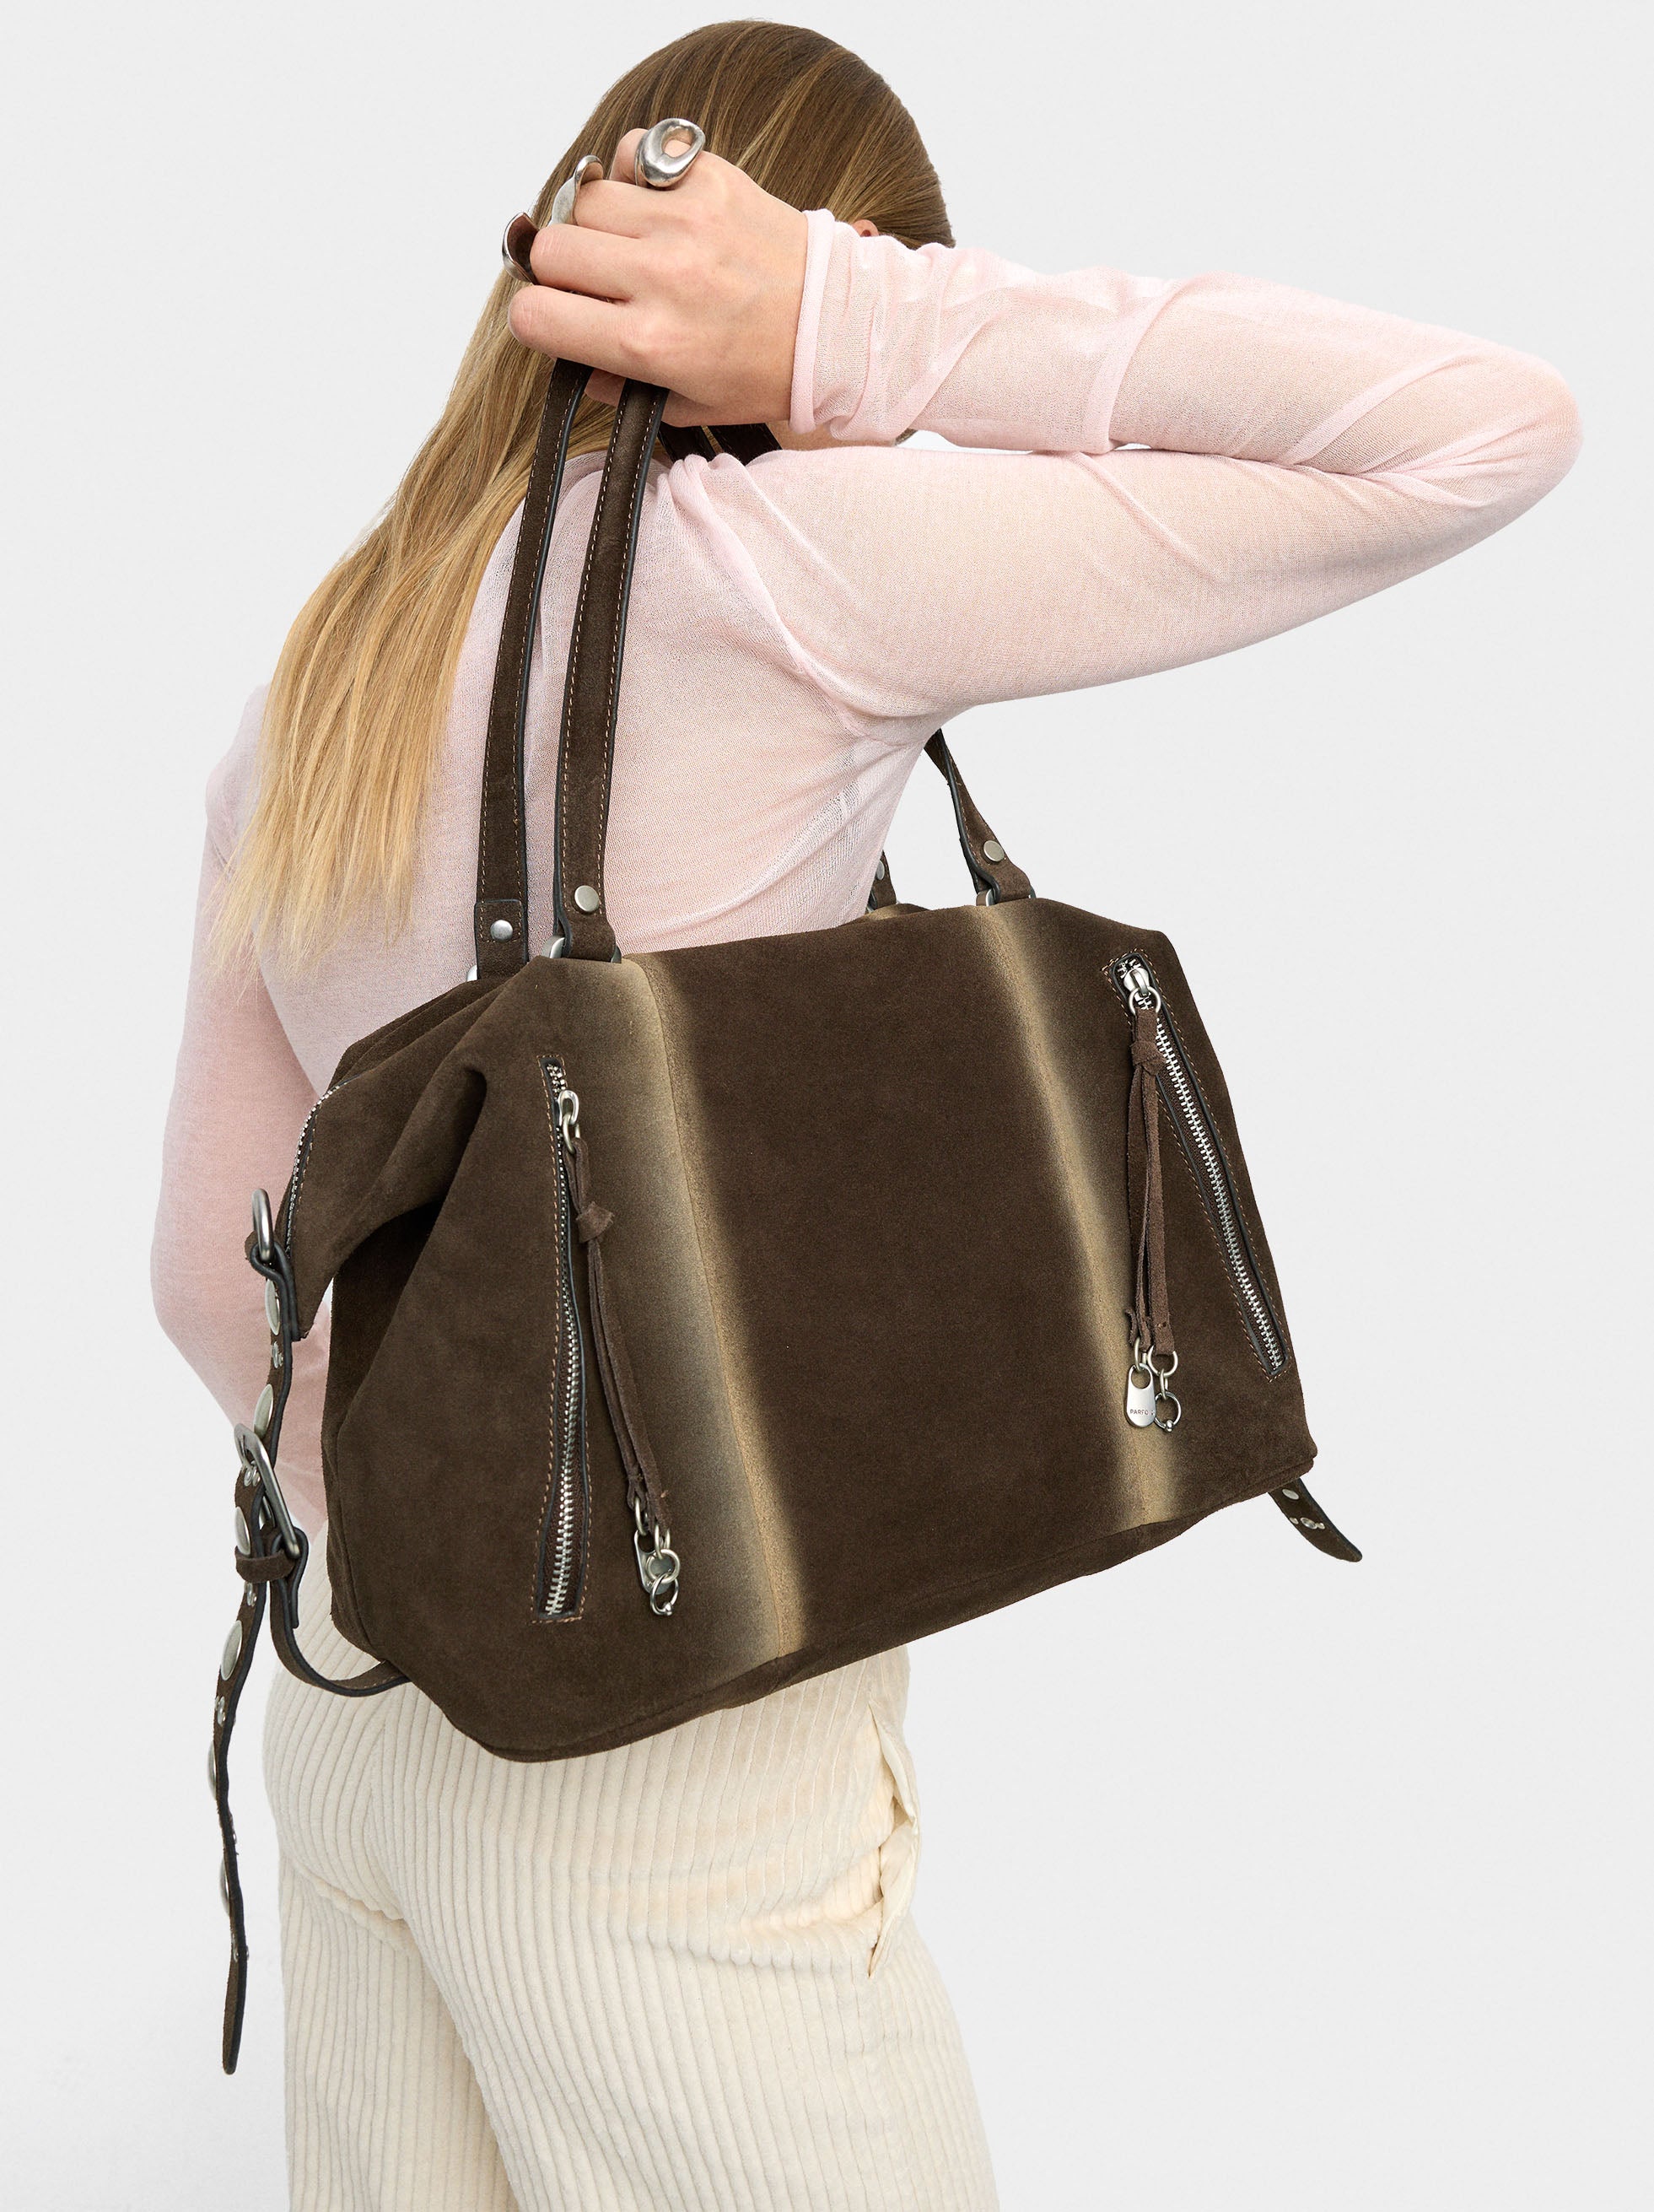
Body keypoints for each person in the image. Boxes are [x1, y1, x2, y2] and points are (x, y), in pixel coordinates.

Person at [151, 19, 1581, 2209]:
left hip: (348, 1712)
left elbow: (207, 1274)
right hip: (663, 1743)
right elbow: (1476, 428)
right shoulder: (785, 563)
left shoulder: (331, 655)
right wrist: (856, 321)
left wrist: (452, 1571)